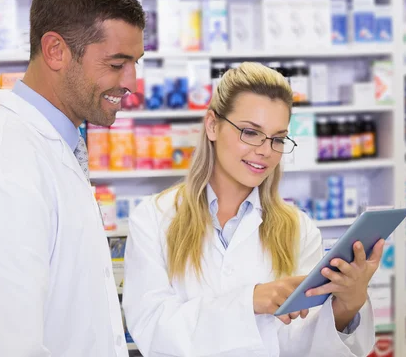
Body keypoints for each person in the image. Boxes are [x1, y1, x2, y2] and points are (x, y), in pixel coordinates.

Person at [0, 0, 145, 357]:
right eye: (116, 64)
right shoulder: (3, 178)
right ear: (56, 51)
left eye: (135, 63)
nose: (131, 81)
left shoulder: (55, 147)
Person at [122, 62, 381, 356]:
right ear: (212, 125)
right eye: (250, 132)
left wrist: (348, 305)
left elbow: (300, 345)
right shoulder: (154, 218)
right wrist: (250, 302)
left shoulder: (298, 229)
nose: (265, 150)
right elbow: (151, 328)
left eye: (278, 138)